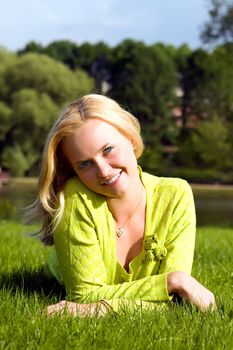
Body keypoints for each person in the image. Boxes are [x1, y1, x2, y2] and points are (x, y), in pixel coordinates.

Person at [29, 94, 215, 317]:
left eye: (107, 150)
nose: (104, 171)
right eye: (85, 164)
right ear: (74, 172)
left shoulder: (176, 195)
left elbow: (175, 300)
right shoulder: (75, 198)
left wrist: (92, 309)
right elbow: (84, 296)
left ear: (131, 140)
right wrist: (171, 282)